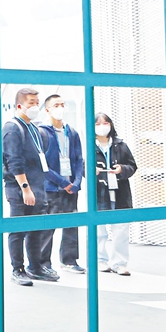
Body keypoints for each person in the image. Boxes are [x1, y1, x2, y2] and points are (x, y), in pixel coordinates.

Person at [2, 88, 56, 286]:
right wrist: (25, 188)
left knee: (36, 229)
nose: (35, 106)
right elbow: (14, 161)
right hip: (20, 189)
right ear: (19, 106)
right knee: (17, 230)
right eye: (31, 102)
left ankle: (36, 266)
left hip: (37, 186)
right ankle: (18, 269)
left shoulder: (34, 128)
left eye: (36, 102)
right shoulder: (12, 128)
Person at [38, 95, 86, 274]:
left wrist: (77, 182)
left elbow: (79, 159)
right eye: (56, 105)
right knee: (47, 226)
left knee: (71, 225)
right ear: (47, 110)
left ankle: (69, 260)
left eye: (62, 104)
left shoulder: (71, 132)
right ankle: (43, 263)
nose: (60, 108)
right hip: (51, 187)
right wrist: (62, 182)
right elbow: (42, 165)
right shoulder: (42, 132)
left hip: (71, 189)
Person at [95, 113, 137, 276]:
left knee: (121, 230)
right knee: (99, 230)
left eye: (106, 123)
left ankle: (119, 263)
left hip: (120, 192)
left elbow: (132, 166)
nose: (102, 126)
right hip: (99, 192)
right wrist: (91, 170)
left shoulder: (121, 145)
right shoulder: (89, 146)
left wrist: (121, 169)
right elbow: (81, 167)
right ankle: (100, 261)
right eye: (98, 124)